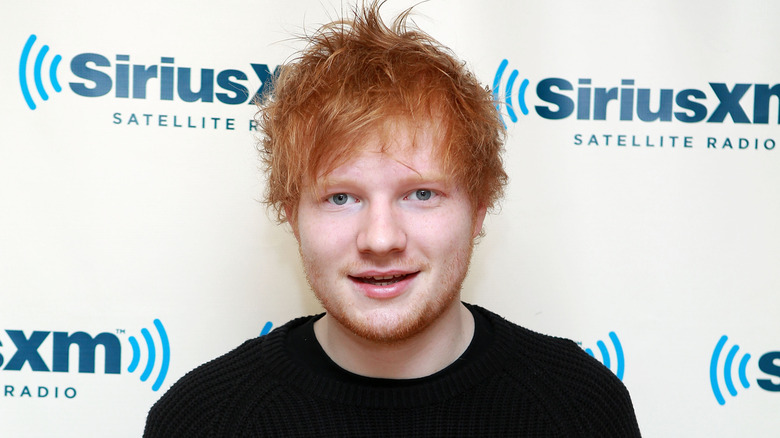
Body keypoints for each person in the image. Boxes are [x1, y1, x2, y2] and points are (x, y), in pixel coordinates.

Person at [144, 2, 641, 436]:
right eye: (341, 198)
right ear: (292, 215)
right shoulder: (203, 419)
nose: (380, 239)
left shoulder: (579, 408)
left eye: (420, 193)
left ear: (480, 208)